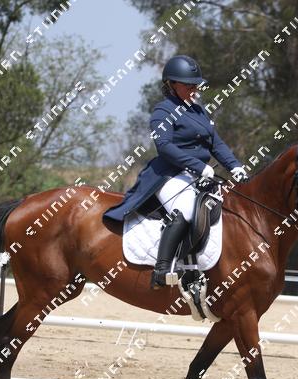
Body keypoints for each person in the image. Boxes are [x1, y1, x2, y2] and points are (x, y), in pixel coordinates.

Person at [102, 55, 249, 289]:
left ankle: (200, 267)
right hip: (170, 175)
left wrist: (235, 166)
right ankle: (162, 271)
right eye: (188, 85)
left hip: (199, 177)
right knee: (185, 212)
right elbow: (164, 146)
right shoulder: (163, 111)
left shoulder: (199, 111)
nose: (194, 89)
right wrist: (199, 166)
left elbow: (216, 143)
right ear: (171, 84)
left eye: (196, 85)